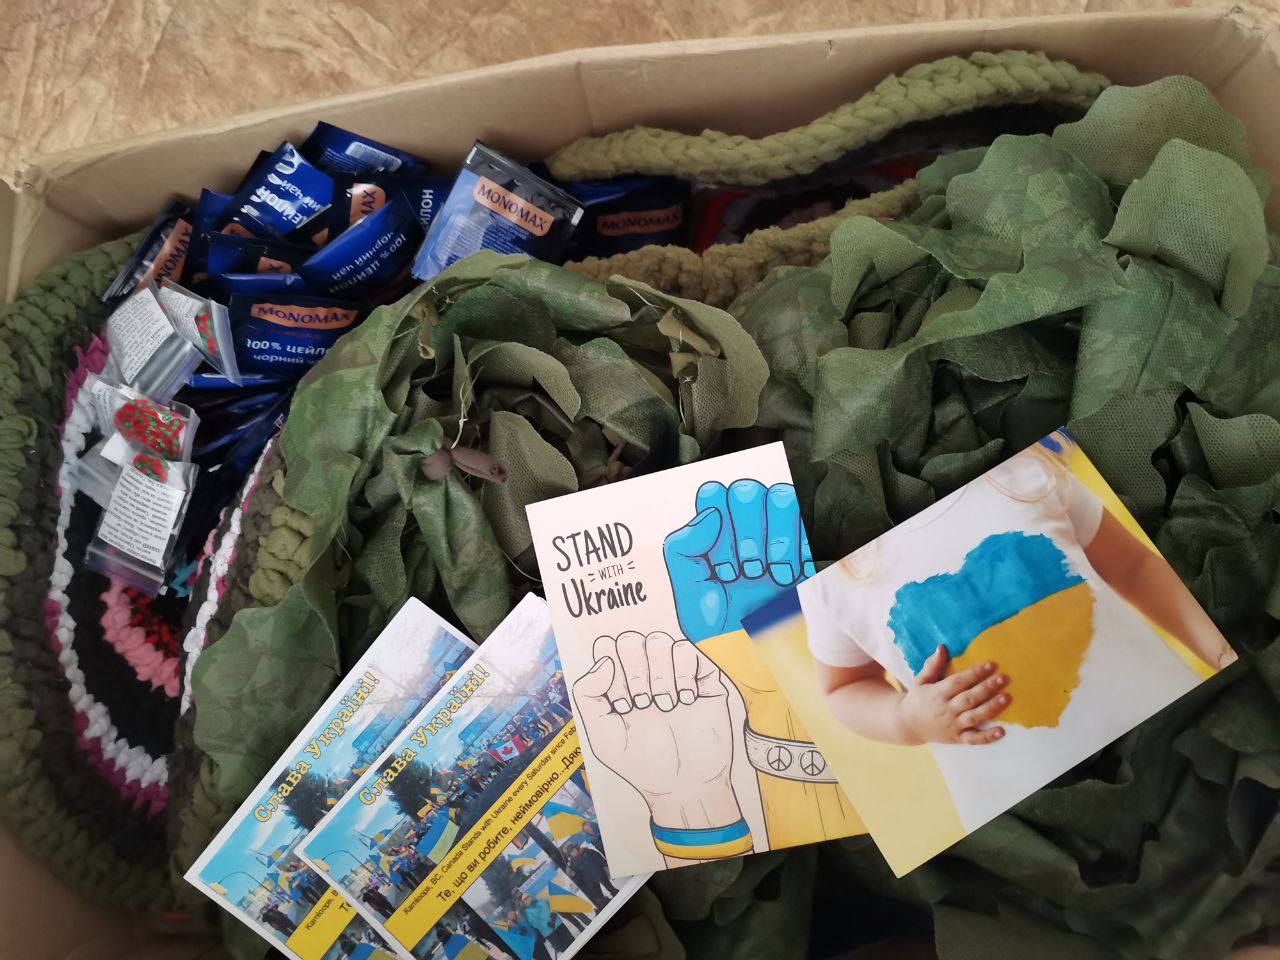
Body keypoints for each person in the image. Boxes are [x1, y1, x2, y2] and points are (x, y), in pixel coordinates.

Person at [801, 432, 1236, 831]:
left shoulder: (1026, 472)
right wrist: (905, 719)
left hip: (1176, 730)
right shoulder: (830, 573)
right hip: (1025, 814)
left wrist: (1220, 651)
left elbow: (1134, 566)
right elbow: (843, 687)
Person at [563, 843, 616, 910]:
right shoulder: (572, 865)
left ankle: (617, 897)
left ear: (575, 848)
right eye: (571, 852)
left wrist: (605, 866)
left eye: (573, 849)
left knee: (612, 889)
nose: (573, 852)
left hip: (599, 874)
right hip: (591, 882)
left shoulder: (586, 851)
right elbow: (578, 879)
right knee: (601, 901)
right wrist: (572, 874)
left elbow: (598, 857)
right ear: (569, 855)